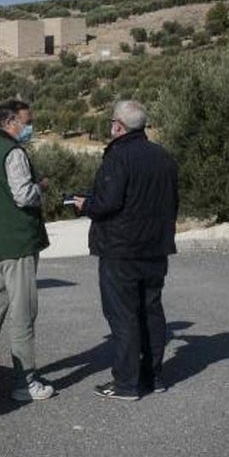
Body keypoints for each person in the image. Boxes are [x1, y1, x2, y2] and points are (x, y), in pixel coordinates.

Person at [71, 99, 178, 401]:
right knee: (151, 312)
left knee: (124, 316)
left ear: (118, 125)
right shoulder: (164, 157)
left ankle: (126, 384)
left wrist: (84, 205)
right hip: (156, 248)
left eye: (111, 122)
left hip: (121, 250)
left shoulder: (117, 158)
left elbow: (107, 204)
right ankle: (153, 377)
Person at [0, 99, 55, 402]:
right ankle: (26, 381)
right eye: (26, 121)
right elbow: (23, 196)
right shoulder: (14, 153)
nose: (29, 127)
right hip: (17, 244)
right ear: (9, 122)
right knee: (23, 313)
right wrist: (41, 187)